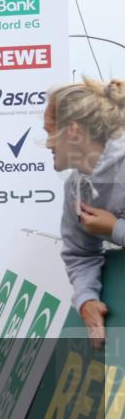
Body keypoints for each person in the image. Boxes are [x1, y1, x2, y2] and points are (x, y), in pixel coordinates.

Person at [44, 78, 125, 349]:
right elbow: (80, 254)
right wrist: (86, 299)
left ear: (74, 132)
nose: (46, 144)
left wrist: (115, 229)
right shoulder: (75, 188)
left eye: (50, 132)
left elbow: (111, 230)